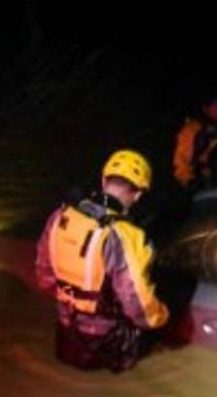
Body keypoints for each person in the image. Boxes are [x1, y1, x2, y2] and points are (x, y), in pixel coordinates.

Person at [35, 149, 170, 372]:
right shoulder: (125, 236)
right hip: (106, 342)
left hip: (65, 331)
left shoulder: (60, 216)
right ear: (138, 195)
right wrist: (162, 317)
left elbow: (44, 276)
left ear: (104, 180)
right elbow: (139, 307)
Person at [172, 93, 217, 191]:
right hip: (202, 185)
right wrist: (190, 182)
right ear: (205, 108)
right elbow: (179, 160)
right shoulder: (192, 129)